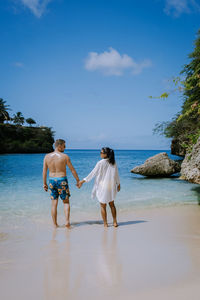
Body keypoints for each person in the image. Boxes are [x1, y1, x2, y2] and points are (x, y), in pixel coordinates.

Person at [78, 147, 120, 227]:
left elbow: (92, 174)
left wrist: (82, 181)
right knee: (112, 204)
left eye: (101, 152)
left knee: (103, 205)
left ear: (105, 154)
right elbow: (116, 174)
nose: (100, 154)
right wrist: (118, 184)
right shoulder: (113, 162)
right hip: (111, 185)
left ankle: (105, 224)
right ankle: (115, 222)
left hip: (102, 187)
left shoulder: (100, 163)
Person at [43, 139, 80, 228]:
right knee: (66, 202)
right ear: (59, 146)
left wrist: (44, 183)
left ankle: (55, 224)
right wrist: (78, 181)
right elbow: (72, 170)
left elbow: (44, 171)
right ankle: (67, 222)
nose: (65, 147)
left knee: (54, 203)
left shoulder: (47, 156)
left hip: (51, 180)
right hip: (62, 180)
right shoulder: (65, 156)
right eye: (64, 146)